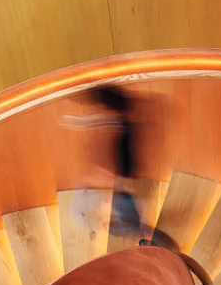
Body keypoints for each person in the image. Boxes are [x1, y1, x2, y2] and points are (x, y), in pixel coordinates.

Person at [62, 85, 157, 246]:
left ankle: (142, 233)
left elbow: (116, 167)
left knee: (122, 209)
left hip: (121, 182)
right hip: (122, 180)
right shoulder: (122, 125)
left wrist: (107, 181)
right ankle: (141, 232)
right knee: (122, 209)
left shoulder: (117, 130)